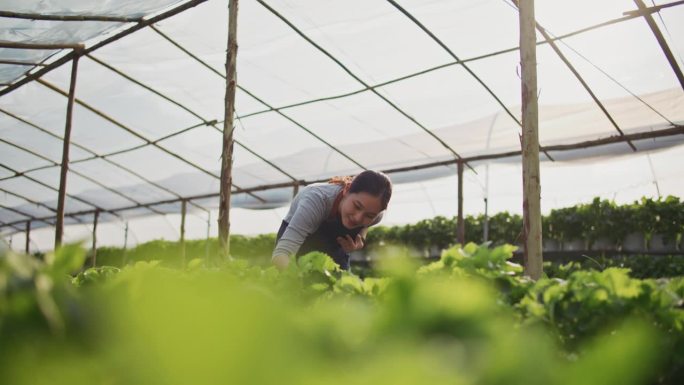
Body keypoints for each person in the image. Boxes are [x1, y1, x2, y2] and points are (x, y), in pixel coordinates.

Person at [272, 170, 392, 270]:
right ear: (347, 190)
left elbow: (365, 226)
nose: (358, 218)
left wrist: (360, 238)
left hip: (334, 247)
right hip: (301, 241)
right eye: (357, 206)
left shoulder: (376, 216)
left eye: (369, 215)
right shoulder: (316, 199)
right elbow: (282, 253)